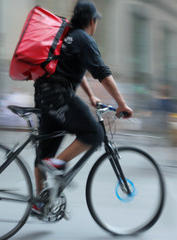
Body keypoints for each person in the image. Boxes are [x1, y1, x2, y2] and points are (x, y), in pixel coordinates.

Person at [31, 0, 133, 214]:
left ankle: (39, 202)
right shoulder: (84, 39)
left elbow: (75, 70)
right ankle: (57, 164)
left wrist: (91, 95)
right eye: (96, 21)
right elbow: (102, 73)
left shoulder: (65, 37)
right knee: (94, 133)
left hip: (43, 96)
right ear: (92, 21)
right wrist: (122, 104)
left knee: (44, 152)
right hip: (58, 96)